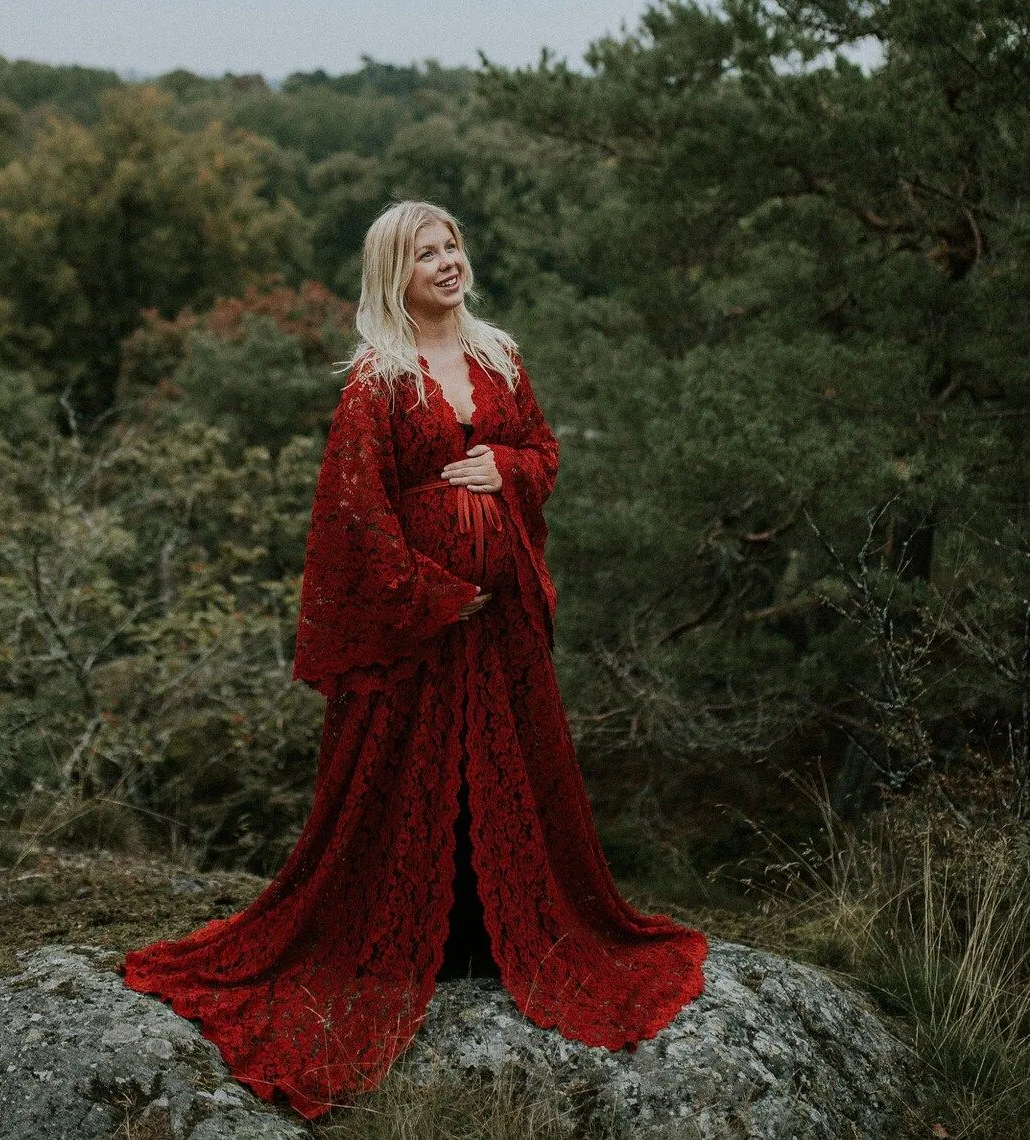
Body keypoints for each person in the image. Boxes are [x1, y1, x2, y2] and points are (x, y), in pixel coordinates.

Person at [118, 201, 708, 1120]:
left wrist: (504, 470)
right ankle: (418, 945)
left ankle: (497, 937)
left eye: (453, 246)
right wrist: (430, 593)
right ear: (393, 273)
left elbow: (545, 452)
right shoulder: (376, 380)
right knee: (411, 777)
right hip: (421, 629)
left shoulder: (499, 355)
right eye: (425, 252)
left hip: (501, 620)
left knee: (507, 768)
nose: (446, 262)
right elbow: (353, 512)